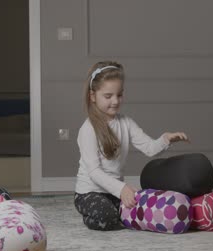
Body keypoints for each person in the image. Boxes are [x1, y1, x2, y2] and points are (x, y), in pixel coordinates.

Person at [74, 61, 189, 231]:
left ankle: (116, 210)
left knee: (143, 210)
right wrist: (122, 189)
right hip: (89, 192)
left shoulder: (126, 123)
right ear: (93, 96)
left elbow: (149, 148)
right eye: (108, 96)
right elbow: (94, 173)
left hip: (114, 192)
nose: (115, 101)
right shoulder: (88, 129)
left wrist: (166, 139)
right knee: (106, 218)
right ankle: (97, 214)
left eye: (119, 95)